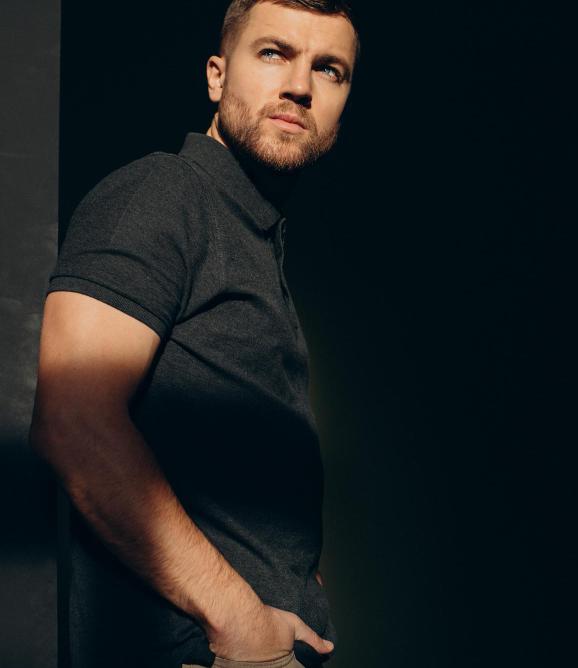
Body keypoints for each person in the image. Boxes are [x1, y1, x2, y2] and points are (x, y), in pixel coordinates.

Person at [29, 2, 360, 667]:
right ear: (216, 75)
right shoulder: (160, 197)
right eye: (273, 53)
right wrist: (239, 620)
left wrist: (292, 577)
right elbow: (73, 422)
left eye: (329, 69)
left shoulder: (249, 234)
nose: (300, 85)